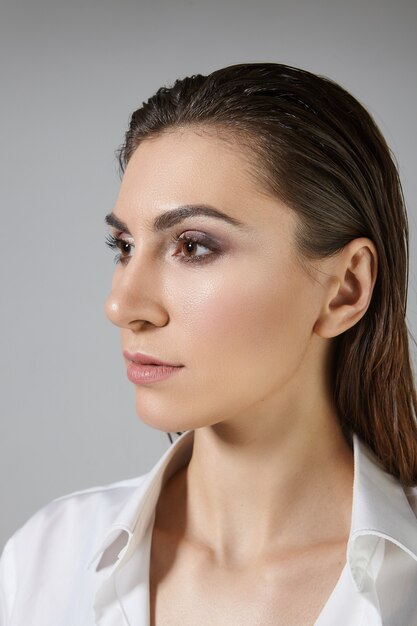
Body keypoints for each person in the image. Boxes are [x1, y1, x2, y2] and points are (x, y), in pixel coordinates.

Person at [1, 62, 416, 626]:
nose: (122, 306)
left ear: (345, 289)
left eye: (193, 246)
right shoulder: (45, 561)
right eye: (123, 245)